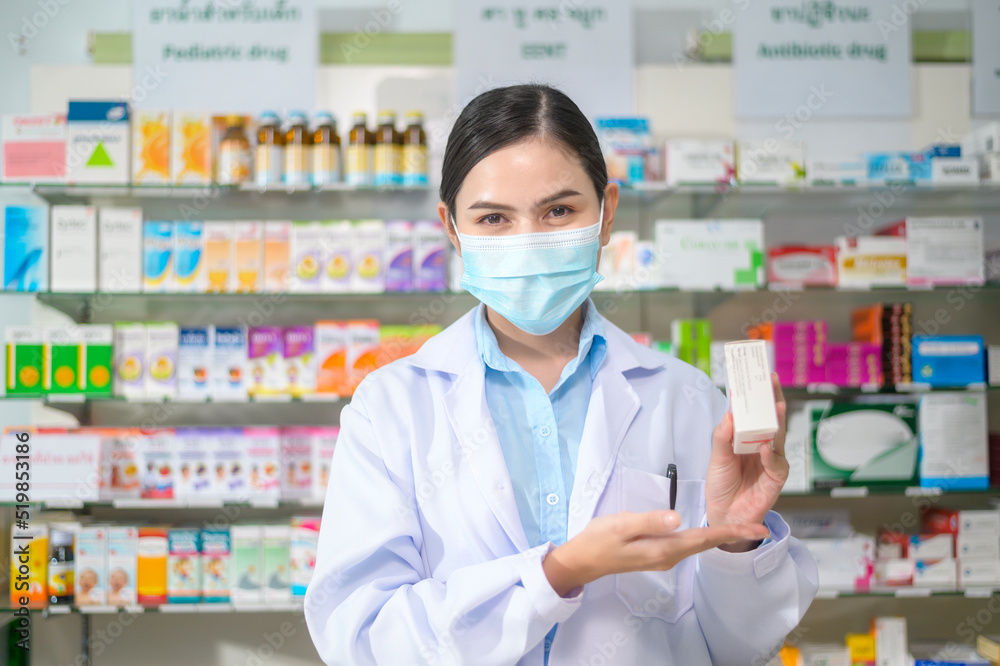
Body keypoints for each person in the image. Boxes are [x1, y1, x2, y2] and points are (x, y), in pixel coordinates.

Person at [305, 84, 818, 665]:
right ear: (451, 229)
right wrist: (557, 573)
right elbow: (364, 639)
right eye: (494, 217)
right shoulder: (391, 408)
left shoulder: (688, 399)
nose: (527, 241)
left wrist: (734, 544)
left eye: (559, 210)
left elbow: (736, 649)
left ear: (606, 215)